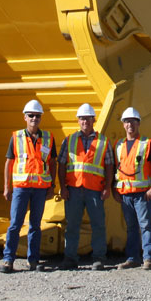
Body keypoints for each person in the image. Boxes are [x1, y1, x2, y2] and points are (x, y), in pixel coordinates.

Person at [0, 99, 56, 273]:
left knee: (35, 226)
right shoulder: (16, 137)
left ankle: (33, 261)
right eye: (31, 115)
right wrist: (7, 187)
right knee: (15, 224)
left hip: (39, 188)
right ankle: (8, 260)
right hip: (21, 188)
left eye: (37, 116)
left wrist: (52, 186)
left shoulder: (48, 138)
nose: (34, 118)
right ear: (25, 117)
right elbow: (9, 163)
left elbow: (53, 163)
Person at [56, 102, 114, 271]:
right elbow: (61, 164)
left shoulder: (103, 141)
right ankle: (70, 258)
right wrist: (63, 187)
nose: (85, 122)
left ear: (93, 120)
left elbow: (109, 165)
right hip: (73, 189)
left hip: (95, 190)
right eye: (82, 119)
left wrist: (107, 187)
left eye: (88, 119)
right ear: (78, 121)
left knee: (98, 225)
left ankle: (98, 258)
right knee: (72, 225)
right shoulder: (69, 140)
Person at [113, 106, 151, 270]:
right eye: (127, 122)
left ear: (138, 124)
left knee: (145, 226)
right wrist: (115, 189)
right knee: (131, 228)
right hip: (125, 195)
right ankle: (132, 258)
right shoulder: (119, 145)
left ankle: (148, 258)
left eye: (133, 122)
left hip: (143, 194)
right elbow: (116, 169)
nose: (130, 125)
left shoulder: (147, 144)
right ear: (123, 125)